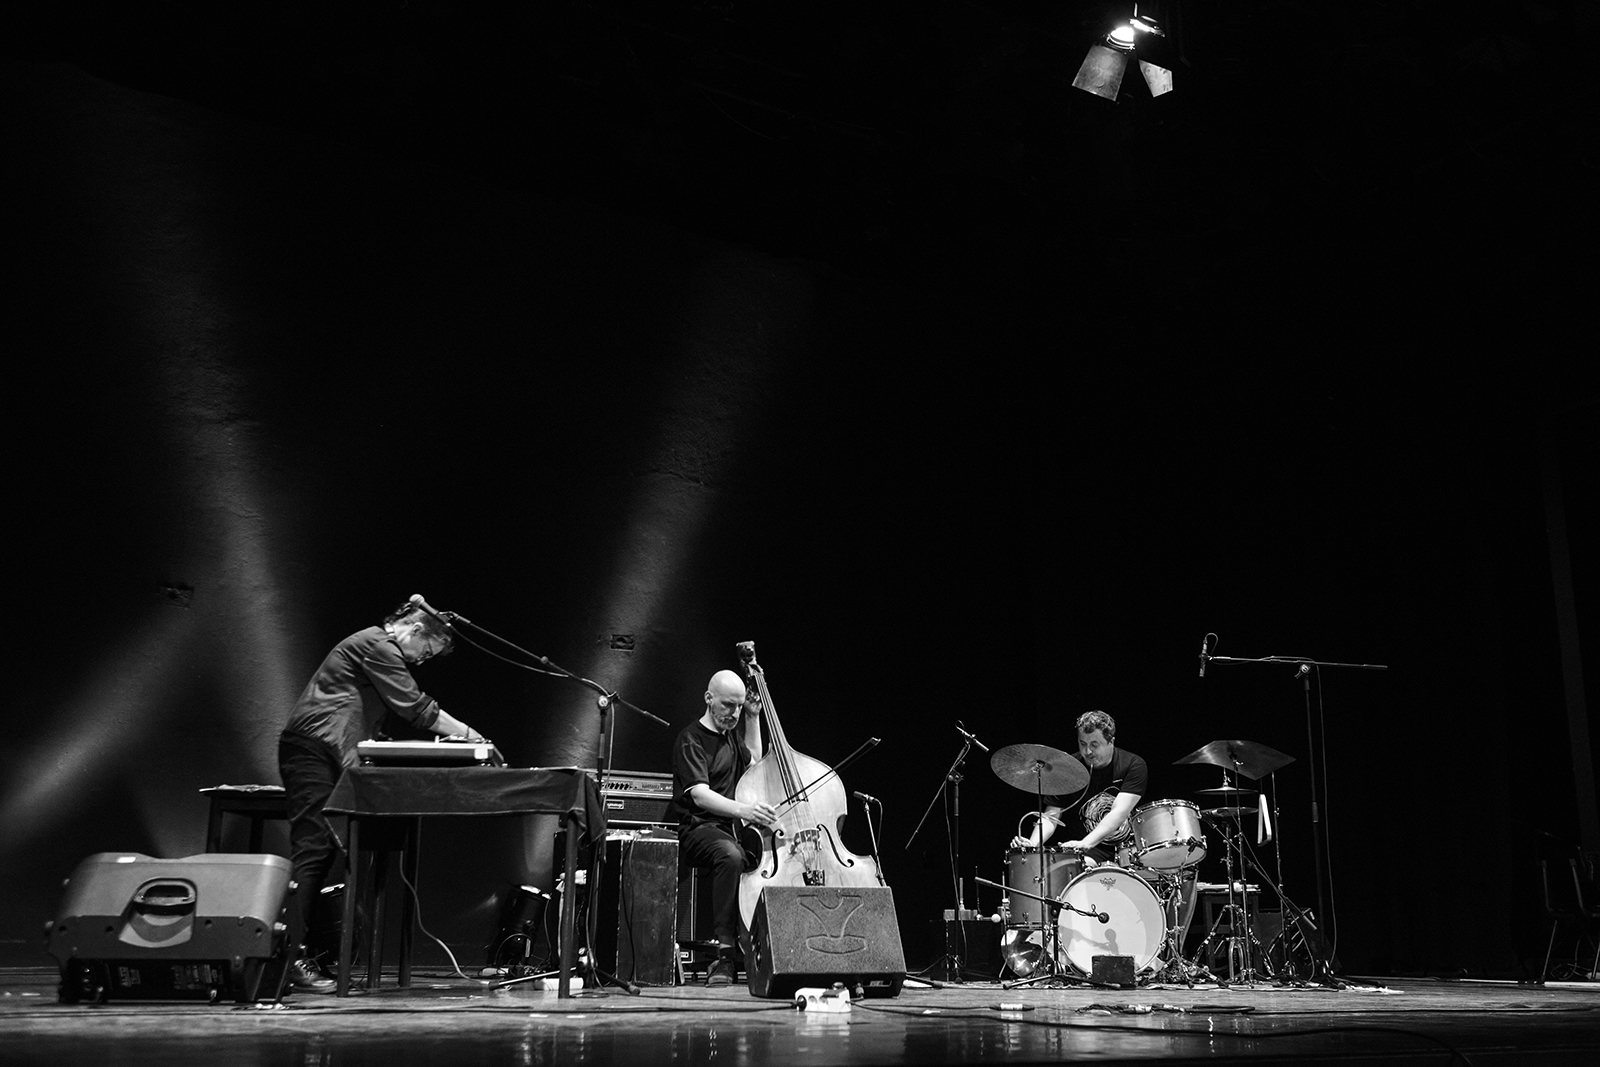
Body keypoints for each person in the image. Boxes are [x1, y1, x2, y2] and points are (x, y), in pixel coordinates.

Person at [277, 600, 485, 993]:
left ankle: (299, 953)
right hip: (310, 751)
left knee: (323, 853)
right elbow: (416, 708)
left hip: (326, 753)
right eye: (426, 651)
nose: (422, 660)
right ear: (414, 628)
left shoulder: (378, 650)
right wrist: (472, 736)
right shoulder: (377, 645)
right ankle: (287, 959)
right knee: (313, 850)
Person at [664, 669, 778, 987]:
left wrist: (753, 717)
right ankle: (725, 956)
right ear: (709, 699)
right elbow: (699, 795)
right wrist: (744, 810)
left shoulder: (730, 737)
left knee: (765, 855)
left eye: (739, 706)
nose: (734, 713)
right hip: (698, 828)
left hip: (728, 828)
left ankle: (763, 947)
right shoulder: (691, 739)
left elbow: (753, 762)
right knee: (731, 856)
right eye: (729, 705)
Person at [1009, 710, 1148, 865]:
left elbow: (1119, 812)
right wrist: (1033, 844)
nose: (1087, 751)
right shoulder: (1067, 768)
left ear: (1111, 741)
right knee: (1071, 866)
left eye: (1094, 745)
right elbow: (1051, 815)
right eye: (1083, 744)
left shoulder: (1133, 765)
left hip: (1128, 848)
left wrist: (1085, 843)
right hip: (1090, 850)